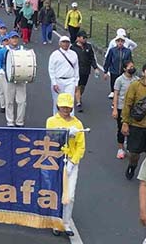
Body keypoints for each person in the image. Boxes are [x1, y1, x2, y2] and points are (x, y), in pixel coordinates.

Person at [46, 93, 85, 237]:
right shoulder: (51, 121)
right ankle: (55, 221)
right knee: (56, 192)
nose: (66, 110)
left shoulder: (78, 124)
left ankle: (66, 222)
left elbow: (81, 146)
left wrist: (73, 162)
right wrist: (66, 134)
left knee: (70, 195)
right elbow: (50, 138)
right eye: (63, 107)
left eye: (68, 107)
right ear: (58, 107)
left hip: (71, 161)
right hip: (55, 160)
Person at [0, 31, 27, 127]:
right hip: (8, 78)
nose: (14, 40)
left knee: (22, 101)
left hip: (21, 78)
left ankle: (20, 121)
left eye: (16, 38)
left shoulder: (23, 50)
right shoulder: (3, 51)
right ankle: (10, 121)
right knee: (9, 101)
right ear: (8, 40)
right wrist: (0, 70)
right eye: (12, 38)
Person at [112, 60, 138, 159]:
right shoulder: (119, 80)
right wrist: (114, 109)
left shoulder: (136, 79)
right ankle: (121, 148)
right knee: (121, 128)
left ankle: (129, 145)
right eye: (130, 67)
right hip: (121, 108)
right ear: (124, 69)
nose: (132, 68)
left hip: (134, 108)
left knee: (133, 128)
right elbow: (116, 94)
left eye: (133, 67)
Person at [48, 36, 79, 114]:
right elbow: (51, 69)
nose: (65, 44)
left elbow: (76, 69)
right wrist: (54, 83)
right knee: (58, 101)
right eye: (63, 42)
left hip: (70, 81)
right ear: (60, 43)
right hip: (58, 81)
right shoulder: (54, 54)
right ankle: (56, 120)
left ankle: (70, 121)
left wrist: (76, 83)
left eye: (67, 42)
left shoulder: (73, 54)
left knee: (70, 101)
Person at [71, 30, 99, 111]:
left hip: (86, 70)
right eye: (83, 38)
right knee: (78, 86)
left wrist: (95, 68)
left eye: (86, 38)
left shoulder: (88, 47)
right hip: (76, 71)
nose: (85, 39)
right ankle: (78, 102)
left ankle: (78, 96)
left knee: (83, 86)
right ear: (78, 38)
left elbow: (92, 58)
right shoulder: (73, 47)